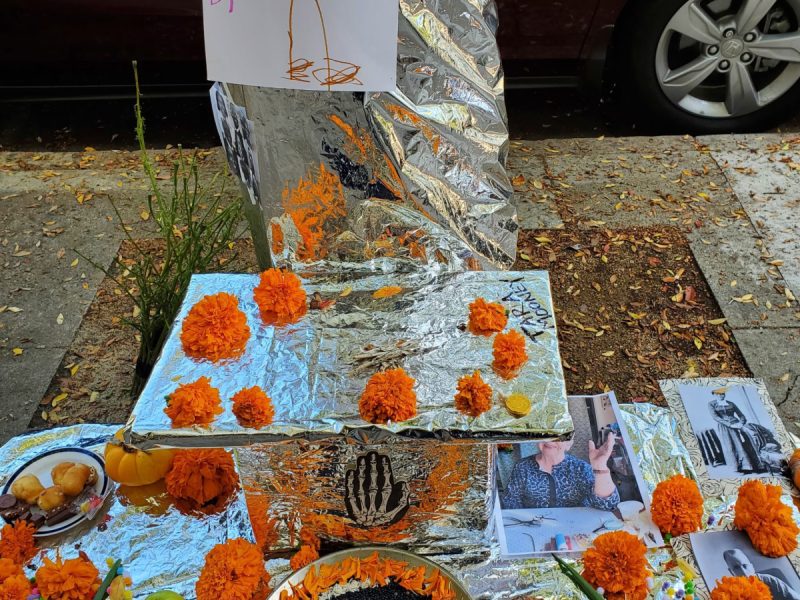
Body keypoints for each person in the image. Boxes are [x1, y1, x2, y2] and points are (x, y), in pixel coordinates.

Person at [501, 433, 620, 510]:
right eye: (546, 434)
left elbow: (609, 505)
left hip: (576, 531)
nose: (550, 440)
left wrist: (600, 465)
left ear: (569, 444)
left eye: (559, 435)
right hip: (533, 528)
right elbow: (510, 501)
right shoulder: (522, 467)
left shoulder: (580, 468)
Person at [709, 391, 767, 473]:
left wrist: (741, 423)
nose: (720, 395)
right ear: (714, 394)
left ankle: (752, 465)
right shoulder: (711, 404)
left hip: (737, 424)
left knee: (745, 443)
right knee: (731, 445)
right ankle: (738, 467)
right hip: (725, 427)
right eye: (718, 394)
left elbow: (741, 415)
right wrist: (730, 425)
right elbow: (716, 417)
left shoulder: (731, 403)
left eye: (722, 393)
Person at [723, 548, 800, 600]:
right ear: (731, 572)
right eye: (736, 568)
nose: (743, 571)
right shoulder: (730, 591)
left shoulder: (769, 581)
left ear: (751, 566)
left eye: (745, 566)